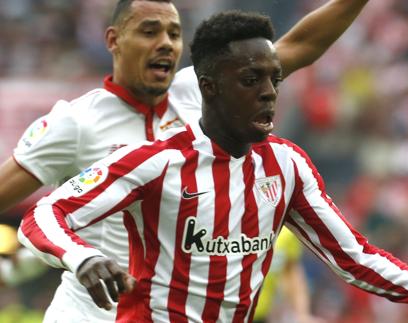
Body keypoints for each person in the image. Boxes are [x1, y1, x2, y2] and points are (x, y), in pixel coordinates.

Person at [18, 11, 408, 323]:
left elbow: (354, 257)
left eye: (273, 79)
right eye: (251, 80)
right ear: (208, 87)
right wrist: (82, 257)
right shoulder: (158, 161)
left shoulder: (287, 166)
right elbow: (42, 216)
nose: (270, 93)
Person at [0, 0, 371, 321]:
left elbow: (299, 45)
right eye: (149, 32)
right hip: (87, 314)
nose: (165, 43)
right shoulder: (75, 123)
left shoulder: (204, 91)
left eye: (174, 34)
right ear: (114, 41)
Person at [252, 228, 320, 323]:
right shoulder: (229, 223)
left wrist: (302, 315)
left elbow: (290, 272)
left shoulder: (286, 231)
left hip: (259, 316)